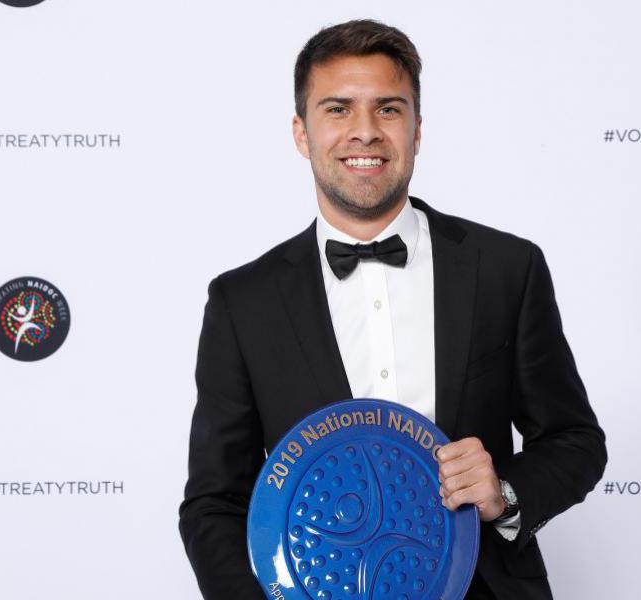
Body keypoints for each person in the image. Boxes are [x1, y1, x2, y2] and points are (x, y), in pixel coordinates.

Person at [178, 19, 606, 600]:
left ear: (417, 128)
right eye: (338, 109)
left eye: (387, 109)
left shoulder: (507, 268)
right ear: (301, 133)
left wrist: (502, 491)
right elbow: (214, 502)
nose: (365, 132)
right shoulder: (242, 301)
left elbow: (575, 441)